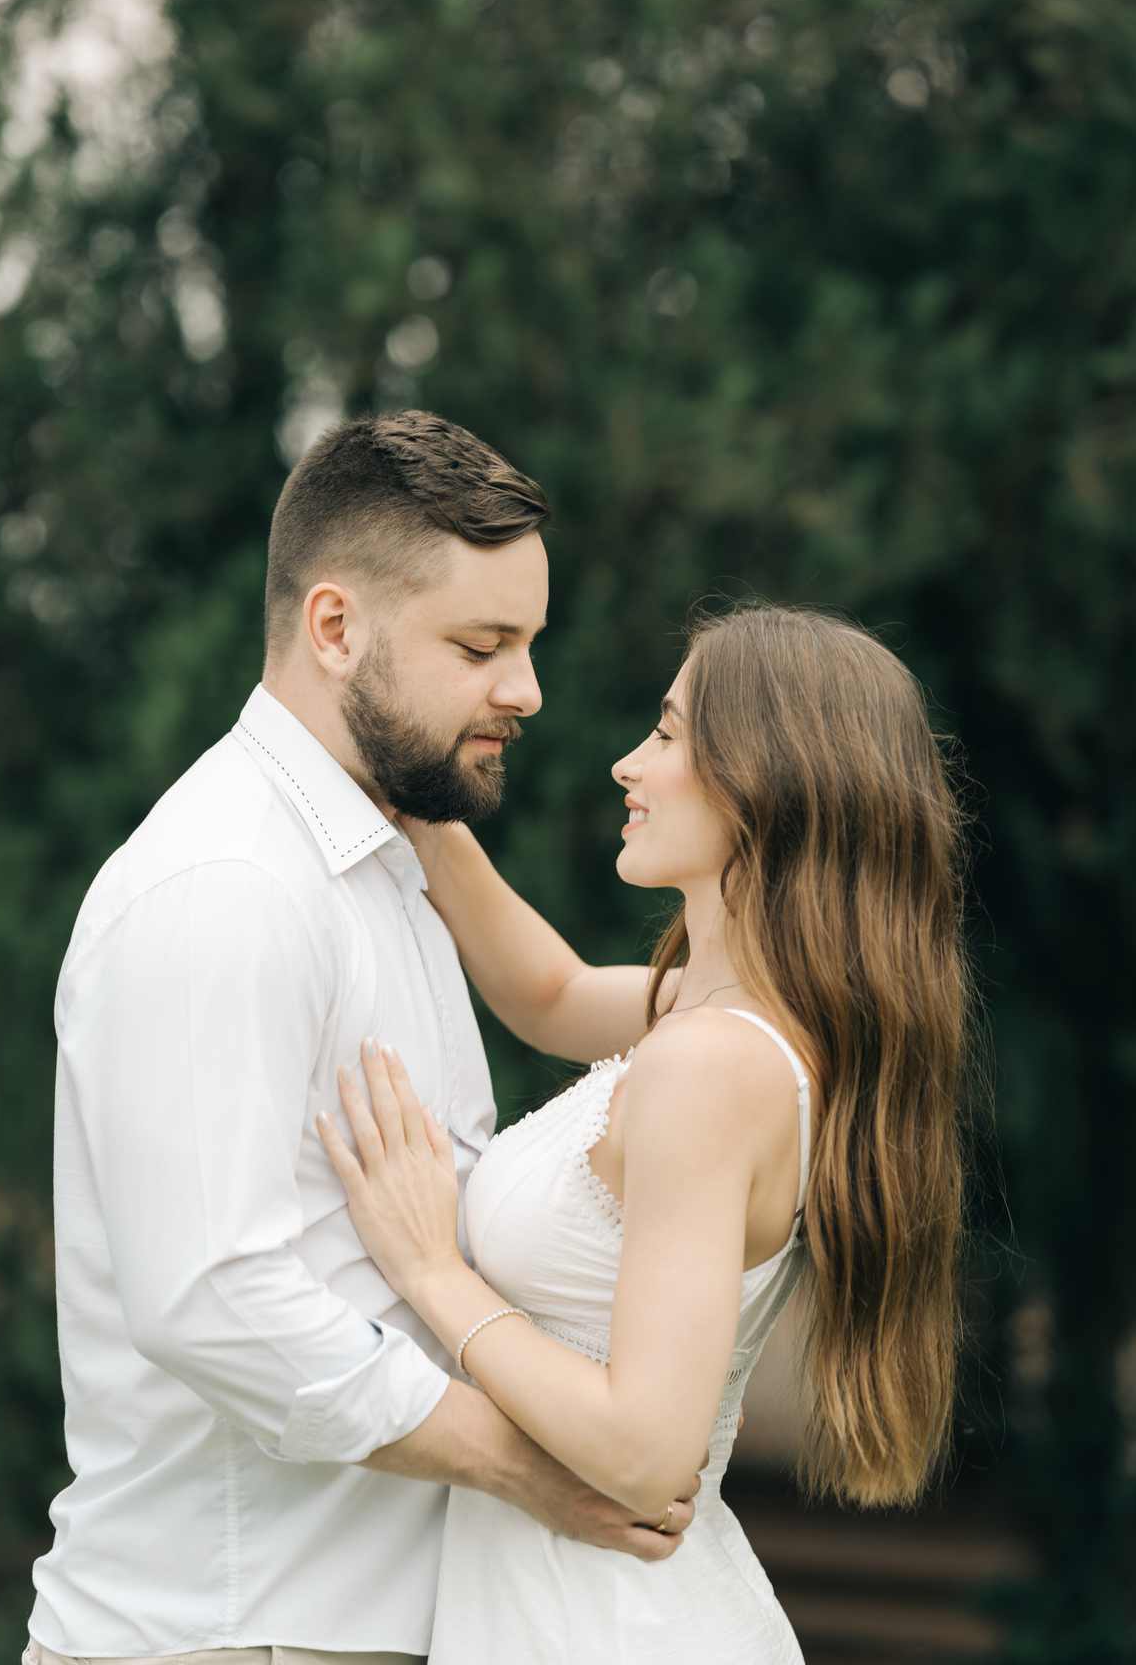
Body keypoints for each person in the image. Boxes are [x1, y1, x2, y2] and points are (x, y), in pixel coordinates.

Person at [28, 412, 699, 1665]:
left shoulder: (394, 854)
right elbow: (214, 1298)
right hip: (227, 1637)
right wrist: (531, 1466)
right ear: (335, 629)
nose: (528, 691)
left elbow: (551, 992)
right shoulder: (226, 884)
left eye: (530, 643)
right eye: (483, 645)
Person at [317, 602, 971, 1664]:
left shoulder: (712, 1069)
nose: (628, 764)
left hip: (608, 1626)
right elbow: (552, 991)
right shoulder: (720, 1023)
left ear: (768, 778)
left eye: (667, 736)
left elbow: (645, 1449)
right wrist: (422, 801)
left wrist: (436, 1272)